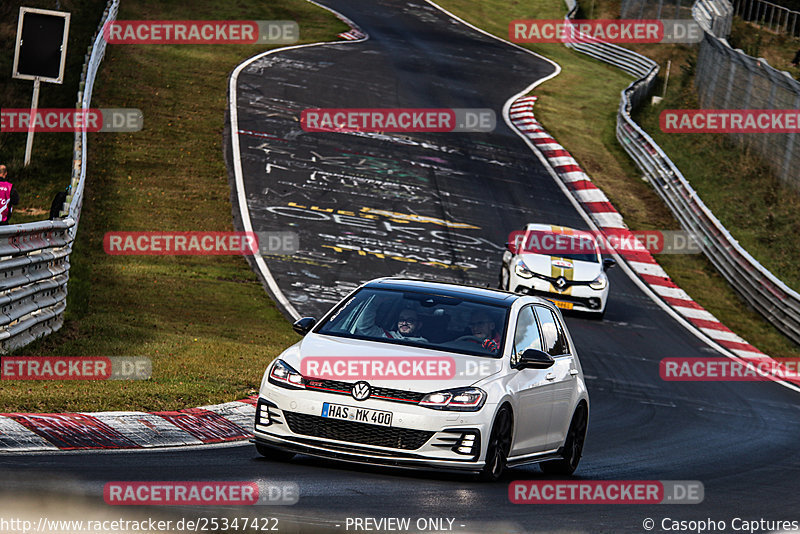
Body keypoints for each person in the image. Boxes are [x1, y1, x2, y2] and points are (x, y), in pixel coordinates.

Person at [354, 300, 428, 342]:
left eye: (410, 320)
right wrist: (377, 300)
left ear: (419, 325)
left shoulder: (424, 344)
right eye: (401, 320)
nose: (404, 323)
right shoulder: (385, 335)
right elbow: (363, 327)